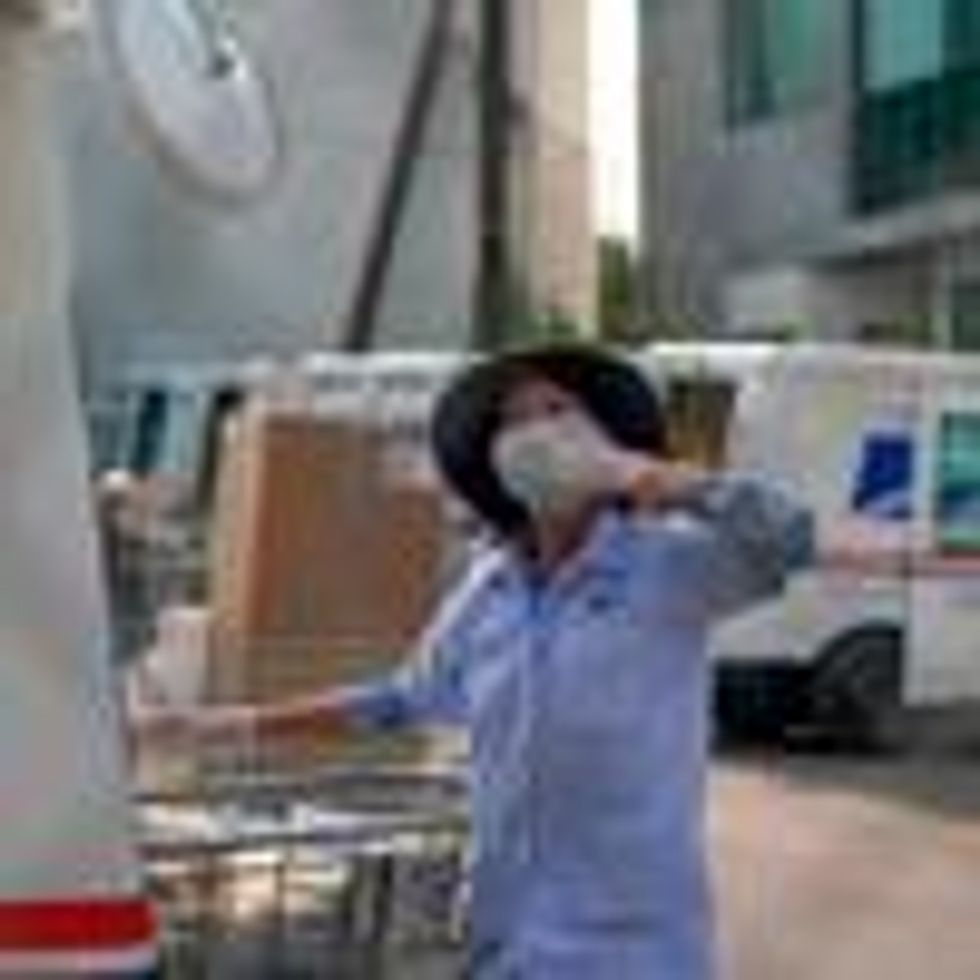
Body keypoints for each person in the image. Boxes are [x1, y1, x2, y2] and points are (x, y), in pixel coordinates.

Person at [140, 343, 814, 979]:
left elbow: (790, 537)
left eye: (556, 411)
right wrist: (227, 725)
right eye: (512, 421)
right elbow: (401, 699)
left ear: (604, 436)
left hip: (628, 952)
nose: (533, 434)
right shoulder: (488, 588)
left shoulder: (670, 567)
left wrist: (648, 477)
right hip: (506, 942)